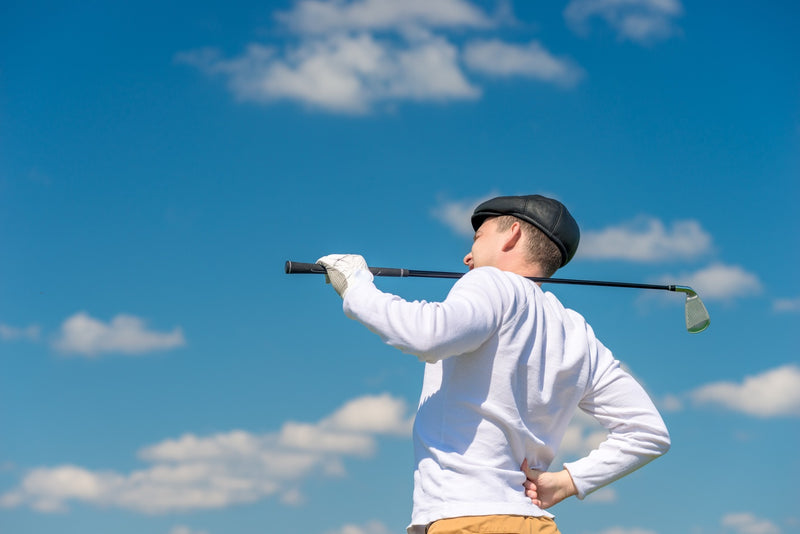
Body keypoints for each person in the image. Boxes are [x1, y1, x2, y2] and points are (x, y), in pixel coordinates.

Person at [316, 194, 670, 534]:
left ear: (512, 234)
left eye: (478, 238)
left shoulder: (492, 281)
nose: (467, 257)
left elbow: (427, 334)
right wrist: (568, 482)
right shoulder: (578, 332)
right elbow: (648, 432)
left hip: (470, 520)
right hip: (535, 523)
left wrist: (356, 286)